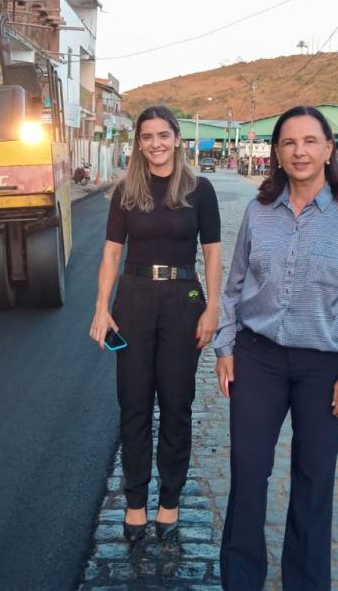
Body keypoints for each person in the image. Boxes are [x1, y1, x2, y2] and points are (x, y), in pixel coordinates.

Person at [215, 105, 338, 590]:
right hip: (258, 359)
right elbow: (235, 286)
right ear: (277, 152)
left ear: (329, 148)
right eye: (289, 142)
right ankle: (240, 580)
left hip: (323, 368)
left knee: (313, 481)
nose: (300, 151)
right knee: (248, 473)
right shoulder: (258, 211)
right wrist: (226, 348)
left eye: (311, 141)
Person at [90, 105, 222, 544]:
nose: (156, 143)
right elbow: (111, 252)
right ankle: (134, 502)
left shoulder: (200, 190)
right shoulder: (126, 191)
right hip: (134, 301)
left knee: (177, 405)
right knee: (134, 404)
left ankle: (169, 499)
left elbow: (213, 254)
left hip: (184, 300)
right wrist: (100, 307)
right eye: (147, 136)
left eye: (163, 135)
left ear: (177, 139)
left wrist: (213, 307)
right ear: (138, 143)